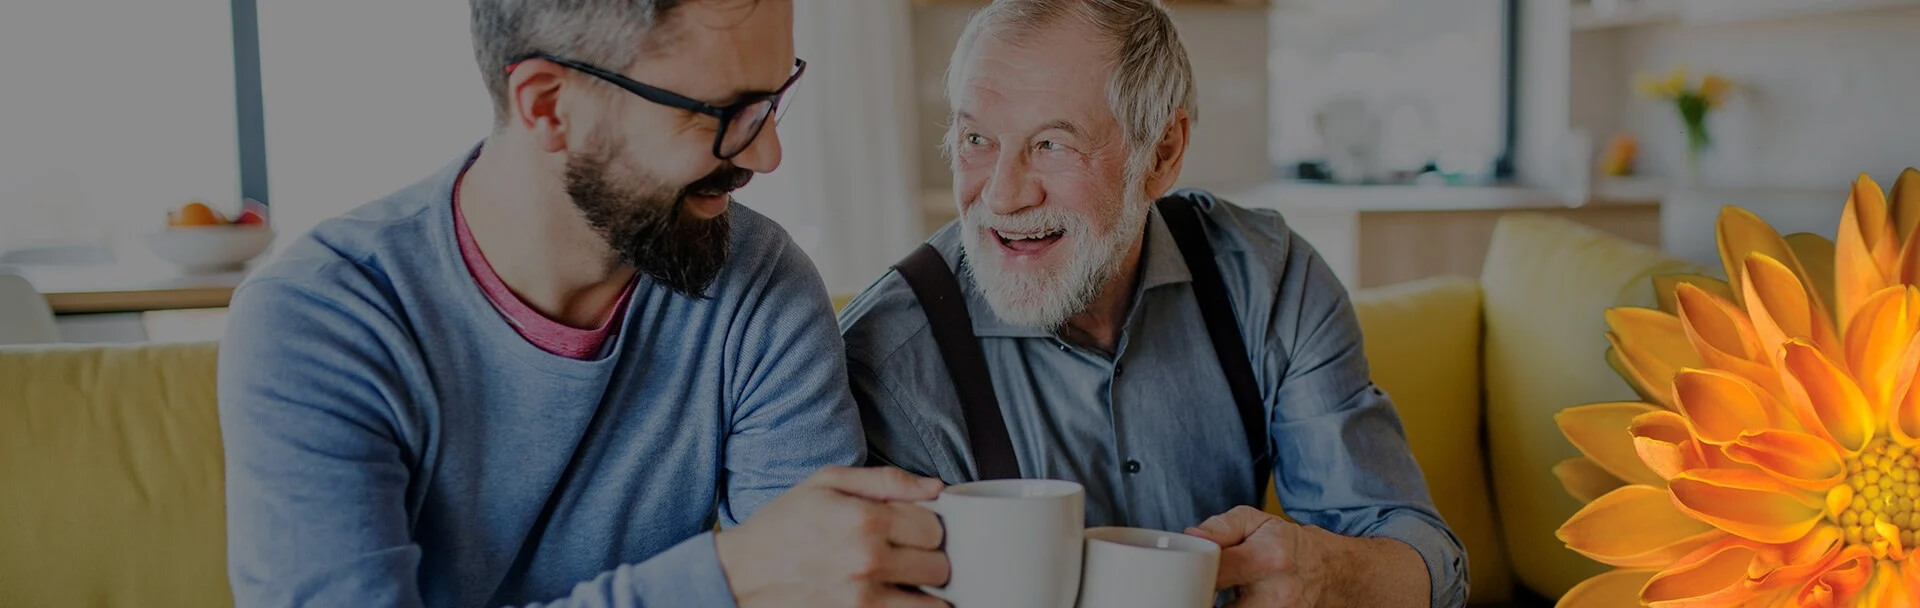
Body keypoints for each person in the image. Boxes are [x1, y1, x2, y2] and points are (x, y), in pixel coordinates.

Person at [218, 1, 948, 606]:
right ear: (549, 105)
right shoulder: (319, 320)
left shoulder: (759, 284)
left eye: (773, 99)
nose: (765, 155)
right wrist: (725, 581)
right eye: (722, 112)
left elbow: (822, 588)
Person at [837, 1, 1466, 606]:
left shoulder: (1268, 279)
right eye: (977, 138)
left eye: (1052, 144)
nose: (1001, 196)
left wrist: (1333, 577)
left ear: (1161, 154)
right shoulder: (886, 358)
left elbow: (1421, 557)